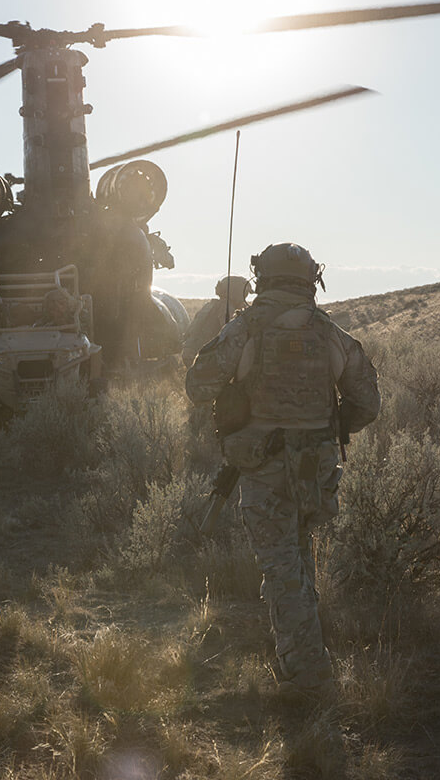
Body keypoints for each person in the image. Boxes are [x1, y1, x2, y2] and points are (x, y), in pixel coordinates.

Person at [185, 243, 380, 698]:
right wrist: (327, 428)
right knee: (297, 558)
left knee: (282, 569)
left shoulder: (245, 327)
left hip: (264, 467)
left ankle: (309, 679)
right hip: (316, 470)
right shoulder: (329, 332)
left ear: (263, 278)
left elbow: (197, 386)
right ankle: (304, 653)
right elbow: (368, 402)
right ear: (311, 279)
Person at [181, 275, 252, 367]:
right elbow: (230, 331)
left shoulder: (211, 305)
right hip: (202, 356)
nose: (244, 299)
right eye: (244, 295)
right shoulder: (226, 308)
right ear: (236, 293)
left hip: (191, 352)